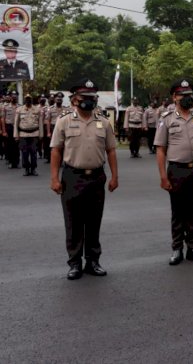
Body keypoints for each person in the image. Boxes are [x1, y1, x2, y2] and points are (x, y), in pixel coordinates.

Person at [50, 79, 119, 280]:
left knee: (94, 221)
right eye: (85, 98)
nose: (89, 102)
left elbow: (111, 151)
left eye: (92, 98)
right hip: (73, 177)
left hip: (96, 177)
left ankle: (93, 261)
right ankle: (74, 263)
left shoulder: (103, 122)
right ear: (74, 100)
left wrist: (115, 176)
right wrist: (54, 178)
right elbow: (56, 151)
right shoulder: (64, 121)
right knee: (73, 222)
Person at [154, 79, 193, 266]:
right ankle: (177, 248)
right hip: (177, 170)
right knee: (178, 212)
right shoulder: (167, 119)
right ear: (174, 97)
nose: (187, 98)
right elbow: (161, 149)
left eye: (190, 95)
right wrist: (163, 176)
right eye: (183, 95)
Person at [14, 94, 43, 176]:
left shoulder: (37, 109)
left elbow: (40, 123)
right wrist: (16, 135)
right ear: (24, 100)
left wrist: (41, 134)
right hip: (23, 134)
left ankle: (33, 169)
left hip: (34, 134)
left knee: (34, 153)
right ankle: (26, 169)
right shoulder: (19, 109)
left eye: (29, 99)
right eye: (26, 99)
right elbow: (16, 123)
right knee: (24, 153)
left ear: (31, 100)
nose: (28, 100)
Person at [46, 93, 69, 162]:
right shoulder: (50, 109)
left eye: (60, 99)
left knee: (63, 144)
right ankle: (54, 159)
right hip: (53, 128)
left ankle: (61, 159)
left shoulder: (66, 109)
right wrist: (48, 132)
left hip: (63, 128)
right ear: (55, 99)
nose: (59, 100)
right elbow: (48, 121)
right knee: (54, 145)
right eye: (57, 99)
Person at [3, 92, 20, 168]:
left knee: (17, 146)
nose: (14, 97)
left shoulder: (20, 107)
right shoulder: (5, 107)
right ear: (10, 97)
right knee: (9, 146)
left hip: (17, 128)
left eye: (15, 96)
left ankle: (16, 162)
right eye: (12, 96)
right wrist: (4, 131)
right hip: (9, 127)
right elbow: (3, 119)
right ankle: (10, 161)